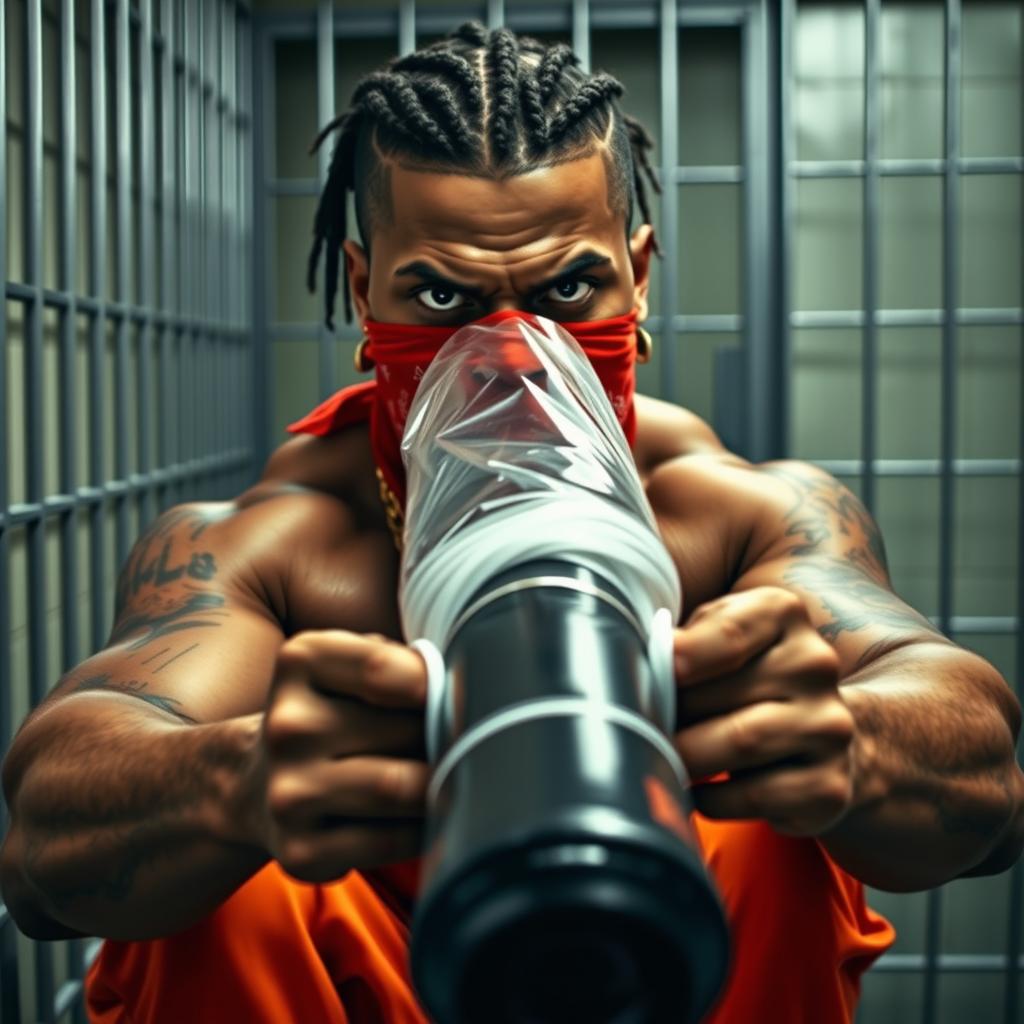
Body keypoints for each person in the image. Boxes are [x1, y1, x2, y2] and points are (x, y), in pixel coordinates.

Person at [2, 21, 1021, 1024]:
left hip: (671, 961)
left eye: (569, 288)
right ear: (365, 290)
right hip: (369, 976)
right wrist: (237, 780)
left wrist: (850, 744)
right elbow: (42, 858)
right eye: (439, 295)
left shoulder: (735, 513)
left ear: (640, 273)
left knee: (771, 821)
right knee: (231, 886)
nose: (516, 354)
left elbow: (989, 786)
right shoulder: (281, 543)